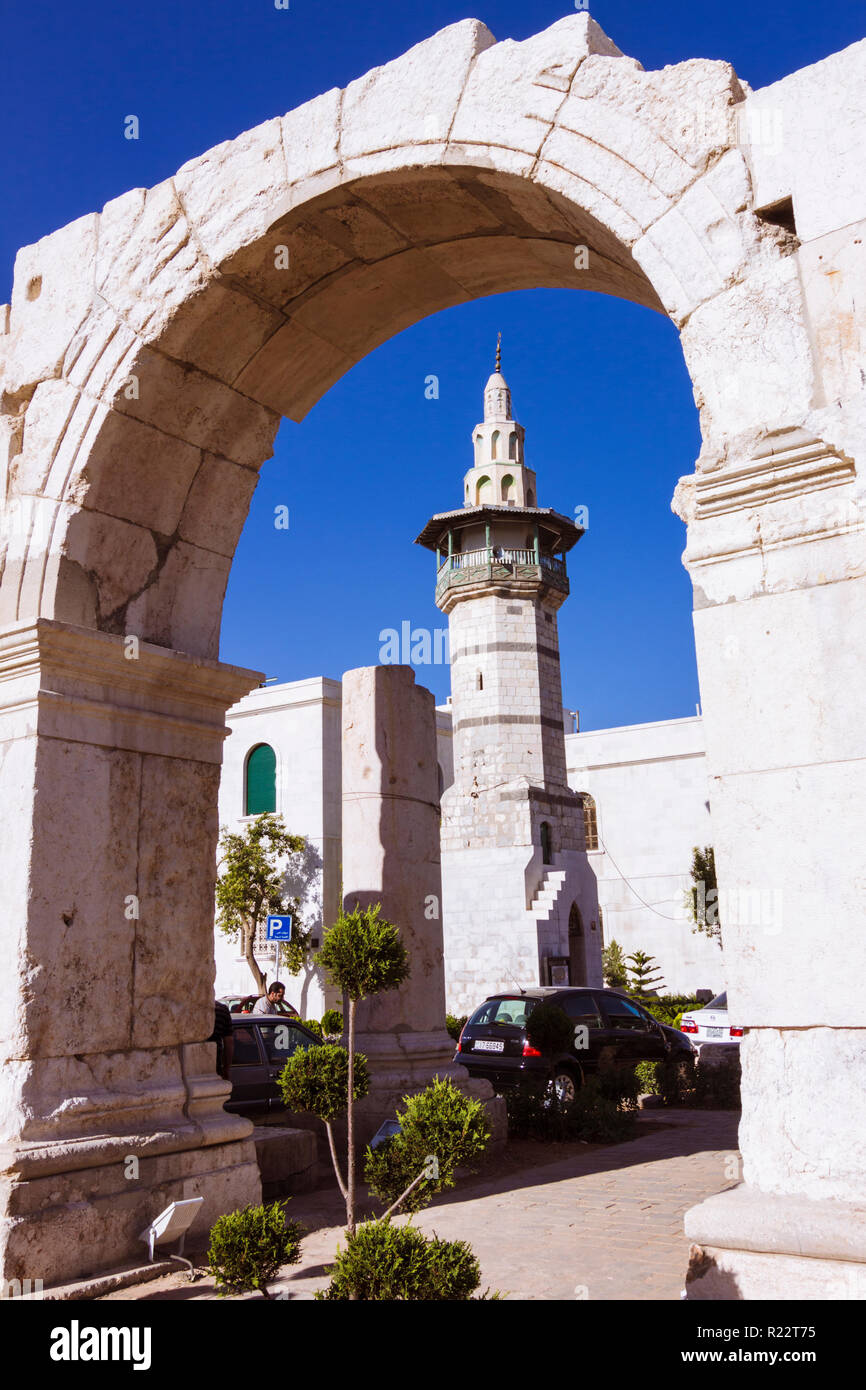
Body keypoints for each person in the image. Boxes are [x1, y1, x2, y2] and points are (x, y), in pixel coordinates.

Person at [208, 999, 234, 1080]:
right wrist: (226, 1069)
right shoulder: (222, 1009)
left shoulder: (189, 1010)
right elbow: (229, 1042)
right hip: (215, 1065)